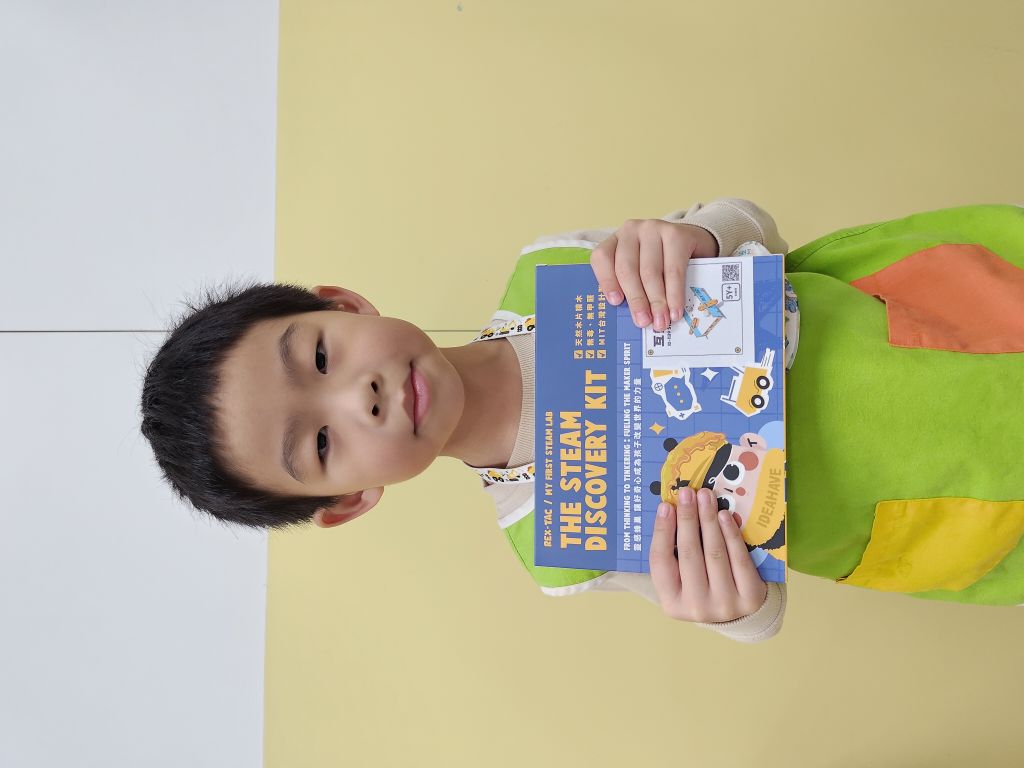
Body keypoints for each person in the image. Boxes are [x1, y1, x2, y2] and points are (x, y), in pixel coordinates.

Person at [140, 198, 1024, 644]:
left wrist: (698, 237)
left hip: (929, 308)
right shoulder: (554, 542)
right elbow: (760, 612)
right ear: (347, 501)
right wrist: (726, 608)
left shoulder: (551, 274)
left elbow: (753, 227)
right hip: (949, 502)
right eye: (323, 443)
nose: (358, 398)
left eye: (320, 356)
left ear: (343, 305)